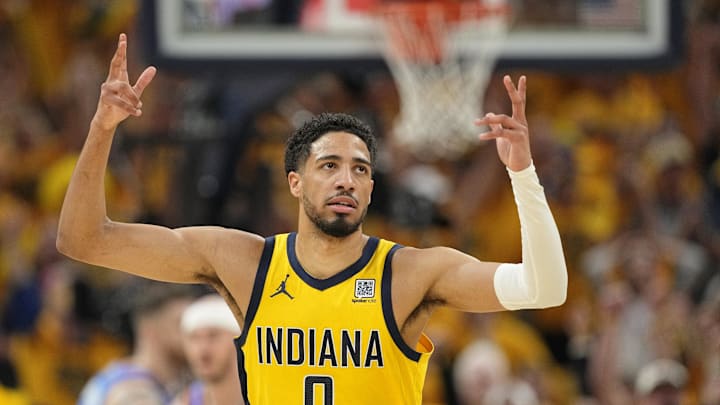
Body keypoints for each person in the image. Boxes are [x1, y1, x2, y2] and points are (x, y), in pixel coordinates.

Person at [57, 33, 568, 404]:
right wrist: (103, 127)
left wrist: (522, 174)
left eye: (360, 170)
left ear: (370, 190)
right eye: (329, 166)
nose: (347, 180)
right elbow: (84, 240)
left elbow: (544, 288)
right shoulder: (245, 263)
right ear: (295, 182)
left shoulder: (409, 274)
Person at [77, 280, 197, 405]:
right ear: (150, 330)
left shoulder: (173, 382)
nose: (192, 333)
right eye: (180, 323)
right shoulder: (130, 390)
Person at [172, 294, 244, 405]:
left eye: (213, 335)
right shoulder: (183, 401)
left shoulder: (262, 397)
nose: (203, 349)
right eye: (194, 338)